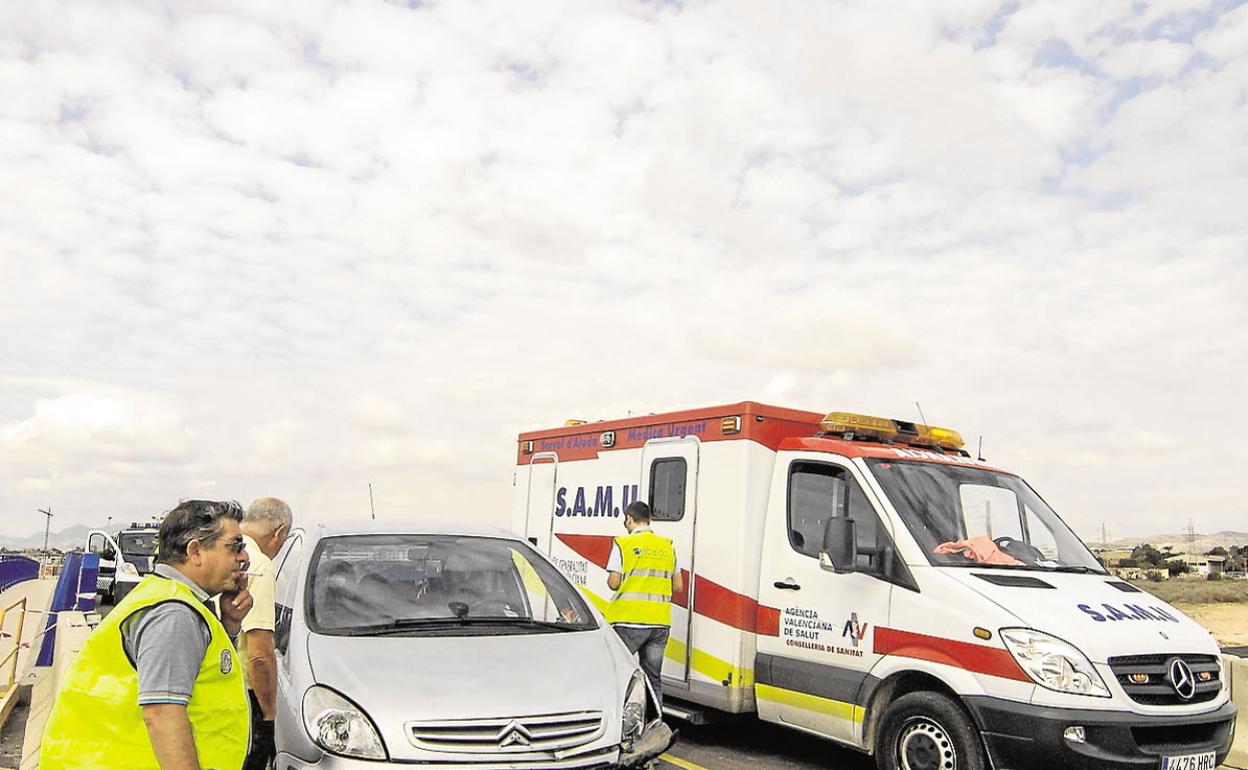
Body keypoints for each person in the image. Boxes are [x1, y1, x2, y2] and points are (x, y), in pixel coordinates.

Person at [41, 500, 253, 770]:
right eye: (235, 546)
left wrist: (230, 624)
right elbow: (163, 715)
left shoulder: (164, 596)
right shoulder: (174, 614)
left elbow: (200, 684)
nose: (244, 557)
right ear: (195, 551)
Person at [606, 501, 683, 707]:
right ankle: (654, 723)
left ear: (629, 519)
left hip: (629, 621)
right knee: (653, 677)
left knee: (618, 673)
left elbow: (614, 583)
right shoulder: (667, 546)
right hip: (659, 623)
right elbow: (678, 586)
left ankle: (621, 722)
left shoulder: (624, 544)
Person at [237, 497, 293, 770]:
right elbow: (259, 654)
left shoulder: (220, 551)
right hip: (244, 692)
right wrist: (269, 715)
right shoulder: (258, 564)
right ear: (279, 532)